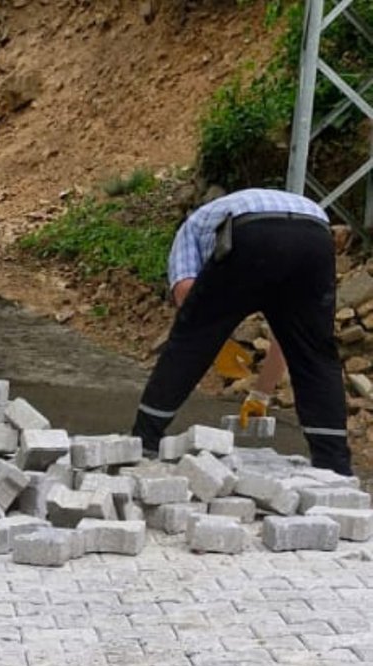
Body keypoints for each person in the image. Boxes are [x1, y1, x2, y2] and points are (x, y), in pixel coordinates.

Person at [130, 187, 352, 474]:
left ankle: (143, 441)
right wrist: (260, 394)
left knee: (188, 339)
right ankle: (335, 466)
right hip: (316, 233)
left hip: (252, 231)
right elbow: (287, 336)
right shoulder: (241, 209)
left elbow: (188, 299)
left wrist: (214, 341)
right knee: (314, 353)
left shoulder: (190, 227)